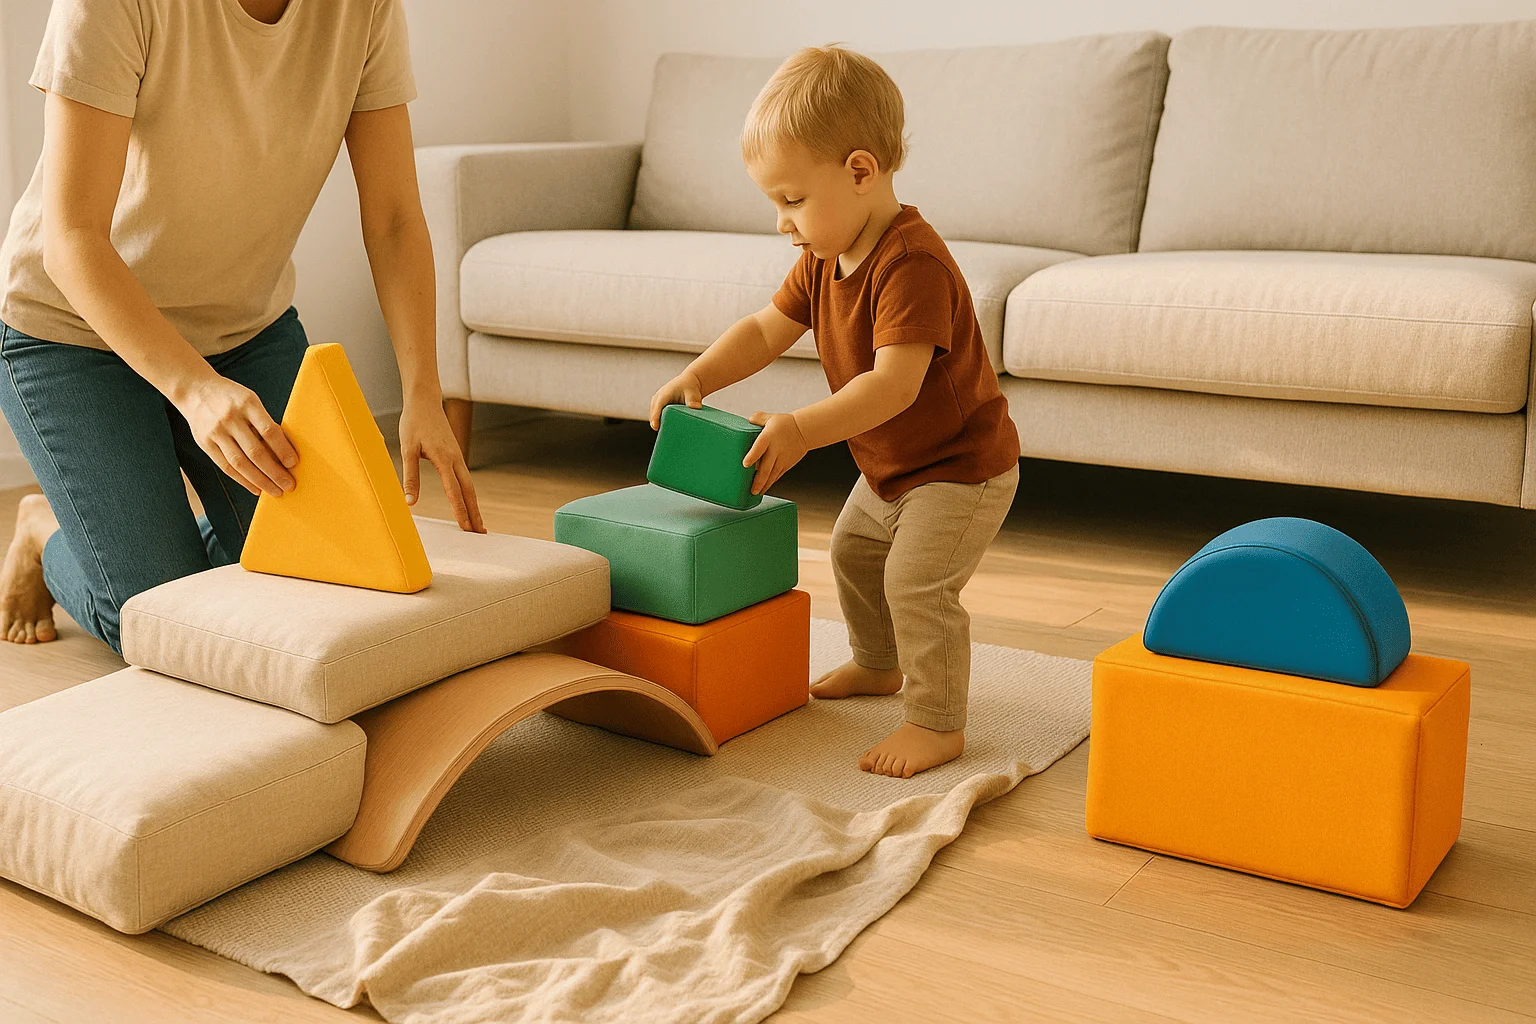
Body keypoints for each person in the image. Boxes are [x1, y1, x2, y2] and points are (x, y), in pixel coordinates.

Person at [0, 0, 484, 651]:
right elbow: (72, 239)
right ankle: (46, 533)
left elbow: (395, 216)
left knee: (332, 575)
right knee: (159, 617)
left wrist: (423, 390)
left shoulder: (364, 8)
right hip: (72, 332)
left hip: (241, 331)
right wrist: (196, 391)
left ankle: (137, 535)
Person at [647, 46, 1020, 778]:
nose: (782, 222)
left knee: (916, 583)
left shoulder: (912, 263)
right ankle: (879, 665)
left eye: (790, 200)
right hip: (891, 467)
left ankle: (937, 721)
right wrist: (701, 375)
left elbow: (892, 388)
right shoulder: (823, 255)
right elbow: (763, 330)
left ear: (859, 171)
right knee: (853, 554)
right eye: (774, 204)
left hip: (960, 469)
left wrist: (803, 429)